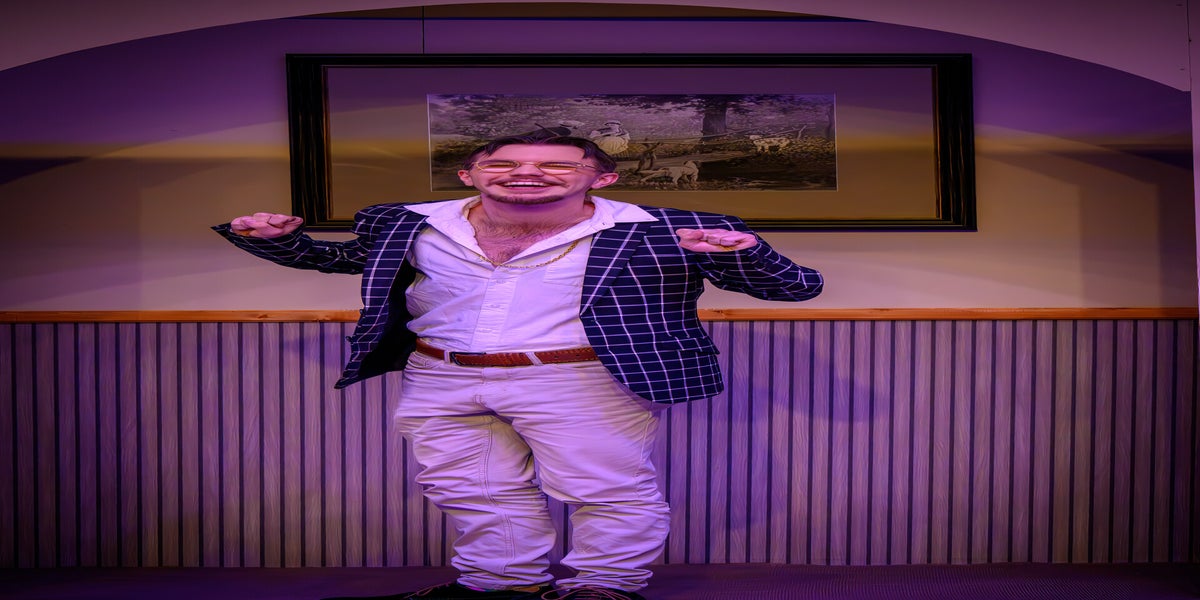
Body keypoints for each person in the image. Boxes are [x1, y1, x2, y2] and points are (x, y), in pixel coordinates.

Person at [214, 135, 823, 600]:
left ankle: (603, 588)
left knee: (605, 489)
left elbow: (795, 288)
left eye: (556, 165)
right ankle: (502, 585)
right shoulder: (408, 220)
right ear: (469, 174)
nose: (525, 172)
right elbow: (342, 259)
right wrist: (274, 238)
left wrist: (748, 254)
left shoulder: (663, 228)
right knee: (471, 487)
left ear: (602, 177)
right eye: (502, 163)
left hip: (580, 377)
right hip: (441, 375)